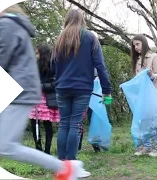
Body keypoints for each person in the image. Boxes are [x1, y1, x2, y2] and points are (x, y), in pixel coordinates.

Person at [0, 4, 87, 179]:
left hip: (14, 93)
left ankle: (64, 167)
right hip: (11, 91)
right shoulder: (14, 24)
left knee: (6, 146)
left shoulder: (7, 24)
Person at [52, 9, 112, 163]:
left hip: (62, 87)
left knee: (64, 123)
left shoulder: (59, 38)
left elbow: (53, 65)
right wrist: (107, 90)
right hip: (82, 88)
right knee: (75, 123)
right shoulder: (90, 37)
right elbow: (100, 66)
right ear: (82, 20)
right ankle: (71, 162)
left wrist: (58, 81)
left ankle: (61, 162)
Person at [131, 34, 157, 157]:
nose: (136, 48)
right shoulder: (138, 60)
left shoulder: (154, 56)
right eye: (134, 46)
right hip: (141, 95)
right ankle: (147, 146)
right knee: (144, 121)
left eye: (137, 44)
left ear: (144, 43)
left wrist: (152, 75)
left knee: (155, 121)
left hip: (152, 94)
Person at [29, 44, 59, 155]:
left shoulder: (53, 65)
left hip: (46, 97)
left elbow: (56, 82)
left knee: (45, 123)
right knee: (37, 122)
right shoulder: (34, 65)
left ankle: (45, 150)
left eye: (37, 53)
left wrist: (41, 86)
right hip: (37, 96)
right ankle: (41, 149)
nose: (35, 55)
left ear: (42, 53)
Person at [78, 69, 101, 153]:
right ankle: (77, 145)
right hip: (82, 91)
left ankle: (96, 145)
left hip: (92, 92)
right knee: (78, 120)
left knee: (93, 119)